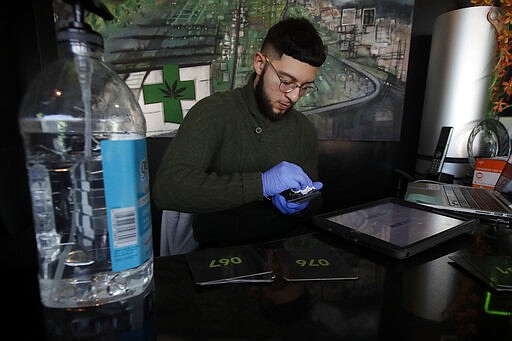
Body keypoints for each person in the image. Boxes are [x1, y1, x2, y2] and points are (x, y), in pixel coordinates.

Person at [152, 17, 327, 247]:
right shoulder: (214, 112)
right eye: (286, 81)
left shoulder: (303, 129)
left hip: (283, 251)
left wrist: (301, 204)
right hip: (218, 254)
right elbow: (167, 188)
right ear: (259, 64)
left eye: (304, 87)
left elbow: (315, 200)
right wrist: (261, 184)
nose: (294, 97)